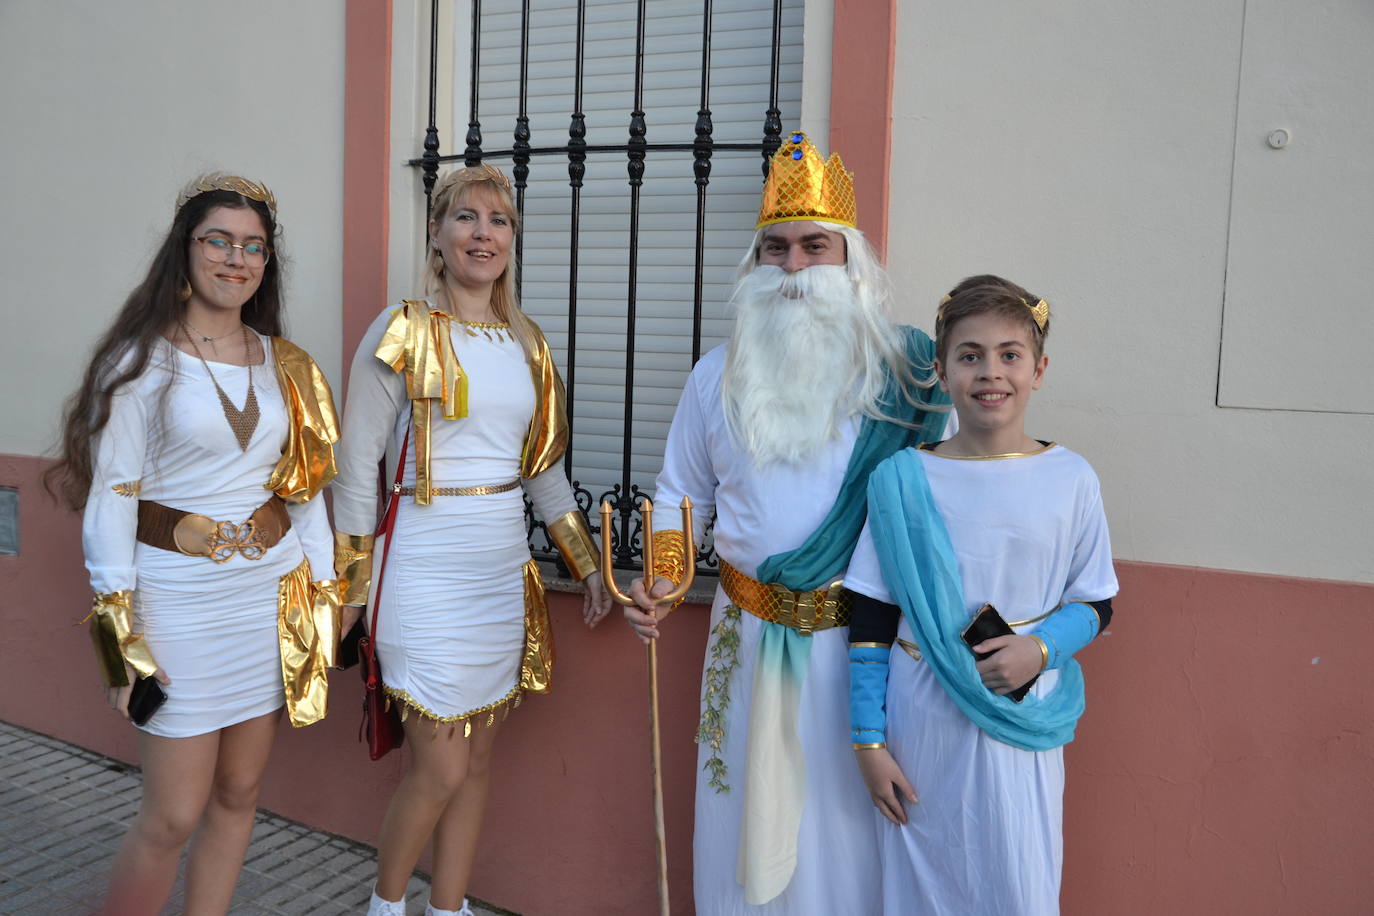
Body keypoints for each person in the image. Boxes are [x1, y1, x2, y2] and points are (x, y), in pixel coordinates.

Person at [622, 131, 950, 914]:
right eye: (777, 249)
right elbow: (678, 492)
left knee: (846, 832)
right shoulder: (716, 375)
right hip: (743, 637)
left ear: (851, 262)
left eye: (814, 246)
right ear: (756, 261)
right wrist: (665, 578)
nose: (795, 268)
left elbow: (943, 511)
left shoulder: (906, 376)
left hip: (862, 651)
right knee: (739, 821)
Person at [48, 173, 342, 914]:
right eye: (219, 241)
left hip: (267, 598)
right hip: (176, 602)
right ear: (185, 250)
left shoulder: (289, 366)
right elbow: (113, 501)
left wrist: (326, 601)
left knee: (241, 793)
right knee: (171, 815)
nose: (236, 259)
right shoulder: (141, 361)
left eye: (254, 247)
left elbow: (302, 497)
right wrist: (120, 640)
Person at [332, 163, 612, 916]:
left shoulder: (528, 343)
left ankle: (446, 909)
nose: (482, 234)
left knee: (478, 760)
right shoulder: (403, 330)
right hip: (422, 564)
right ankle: (386, 909)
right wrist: (351, 588)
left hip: (499, 567)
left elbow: (544, 472)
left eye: (499, 221)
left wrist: (584, 565)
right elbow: (356, 464)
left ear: (512, 241)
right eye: (466, 218)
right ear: (436, 233)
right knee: (440, 770)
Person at [844, 276, 1119, 914]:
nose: (990, 373)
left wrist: (1041, 650)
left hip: (1022, 713)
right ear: (942, 371)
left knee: (1017, 880)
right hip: (921, 719)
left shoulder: (1071, 479)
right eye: (970, 356)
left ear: (1039, 369)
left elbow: (1097, 602)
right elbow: (872, 617)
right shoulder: (903, 478)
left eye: (1009, 354)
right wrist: (867, 742)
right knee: (922, 883)